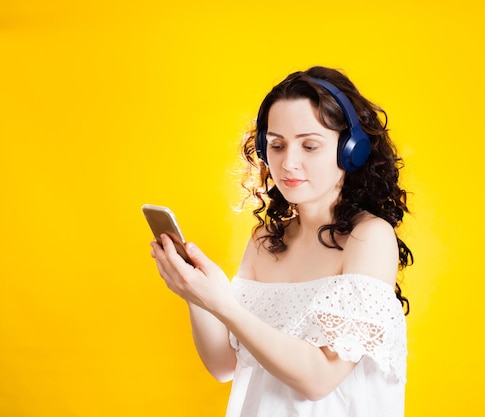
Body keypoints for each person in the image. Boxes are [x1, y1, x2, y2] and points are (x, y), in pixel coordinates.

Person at [149, 66, 413, 417]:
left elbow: (319, 378)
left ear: (352, 150)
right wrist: (195, 295)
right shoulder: (265, 241)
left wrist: (223, 304)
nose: (288, 162)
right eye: (276, 144)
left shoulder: (369, 238)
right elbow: (224, 364)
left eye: (309, 145)